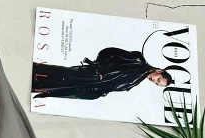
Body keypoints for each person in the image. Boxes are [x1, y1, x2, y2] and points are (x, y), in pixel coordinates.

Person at [33, 46, 175, 100]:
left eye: (157, 84)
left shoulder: (138, 80)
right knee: (51, 76)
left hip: (88, 87)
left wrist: (102, 91)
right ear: (159, 71)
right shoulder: (138, 60)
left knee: (51, 88)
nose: (154, 81)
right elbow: (109, 52)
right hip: (87, 76)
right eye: (158, 79)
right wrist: (101, 68)